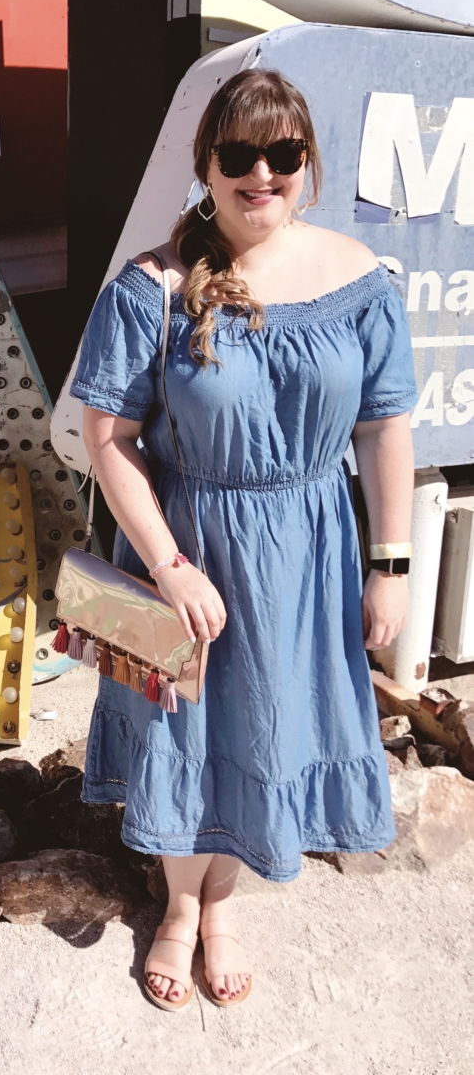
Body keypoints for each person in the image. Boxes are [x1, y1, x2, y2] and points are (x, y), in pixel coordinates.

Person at [69, 68, 417, 1010]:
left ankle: (225, 905)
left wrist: (389, 567)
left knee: (265, 725)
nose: (260, 174)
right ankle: (180, 909)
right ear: (207, 165)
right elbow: (108, 438)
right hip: (189, 544)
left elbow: (386, 431)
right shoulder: (154, 288)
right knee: (184, 729)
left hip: (310, 551)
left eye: (282, 154)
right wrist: (168, 565)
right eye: (237, 156)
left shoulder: (359, 282)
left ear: (308, 161)